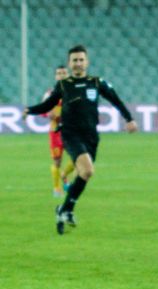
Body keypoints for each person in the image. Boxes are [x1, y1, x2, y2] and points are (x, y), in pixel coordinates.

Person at [25, 45, 137, 235]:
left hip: (91, 136)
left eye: (81, 60)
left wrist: (129, 119)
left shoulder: (96, 82)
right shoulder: (63, 85)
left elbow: (115, 100)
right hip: (70, 134)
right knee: (88, 169)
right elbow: (48, 104)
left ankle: (64, 209)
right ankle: (66, 210)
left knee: (85, 174)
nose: (78, 63)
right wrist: (30, 110)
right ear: (69, 63)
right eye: (74, 60)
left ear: (87, 62)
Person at [38, 65, 76, 197]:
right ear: (55, 76)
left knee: (77, 158)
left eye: (64, 73)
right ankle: (56, 188)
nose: (61, 75)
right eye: (59, 73)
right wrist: (48, 114)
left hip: (71, 131)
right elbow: (42, 110)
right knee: (57, 162)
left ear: (68, 75)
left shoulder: (74, 92)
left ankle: (64, 174)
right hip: (55, 132)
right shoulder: (49, 94)